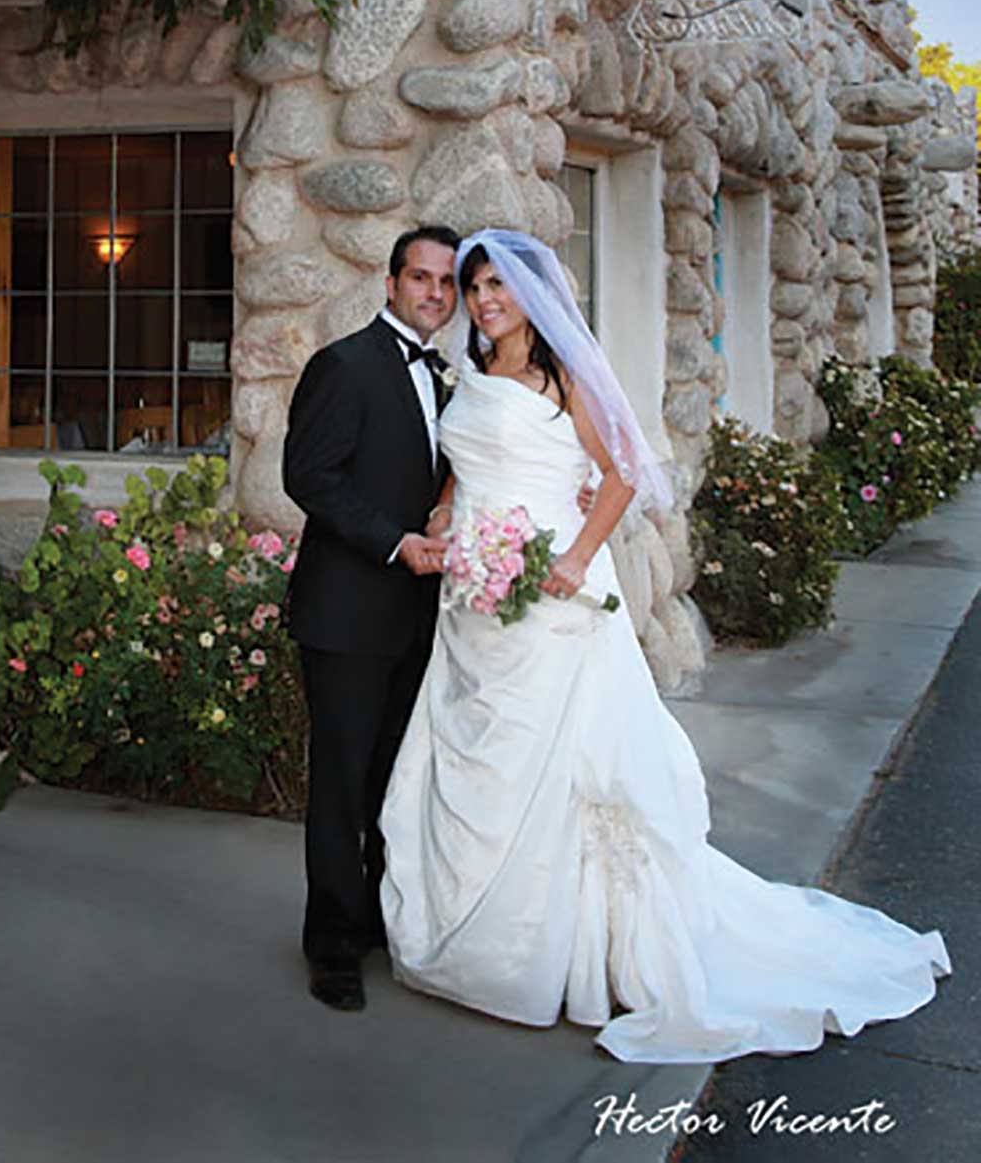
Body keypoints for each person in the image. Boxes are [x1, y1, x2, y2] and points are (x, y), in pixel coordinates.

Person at [380, 228, 950, 1064]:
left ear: (532, 294)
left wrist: (576, 557)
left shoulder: (563, 378)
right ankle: (478, 943)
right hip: (473, 602)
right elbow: (464, 467)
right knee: (477, 761)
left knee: (563, 768)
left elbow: (620, 473)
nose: (483, 300)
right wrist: (442, 515)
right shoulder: (472, 373)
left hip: (552, 597)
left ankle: (565, 954)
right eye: (474, 288)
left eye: (497, 284)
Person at [282, 225, 460, 1012]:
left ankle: (379, 918)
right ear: (390, 284)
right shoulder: (344, 364)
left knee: (395, 780)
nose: (434, 293)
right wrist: (394, 542)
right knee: (342, 787)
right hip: (347, 615)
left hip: (418, 617)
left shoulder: (446, 377)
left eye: (446, 282)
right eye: (420, 277)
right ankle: (332, 948)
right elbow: (308, 475)